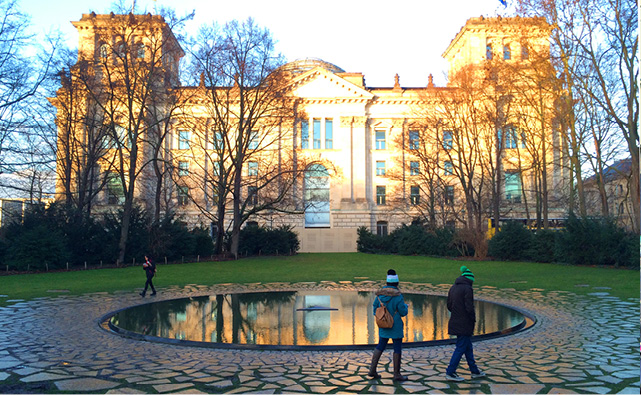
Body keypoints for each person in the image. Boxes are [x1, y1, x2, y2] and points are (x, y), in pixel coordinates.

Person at [445, 265, 486, 381]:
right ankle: (450, 371)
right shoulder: (468, 289)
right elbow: (469, 307)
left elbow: (449, 305)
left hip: (455, 321)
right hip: (465, 323)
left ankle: (474, 371)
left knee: (468, 347)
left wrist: (457, 312)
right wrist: (473, 319)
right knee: (461, 347)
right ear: (470, 280)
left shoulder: (453, 288)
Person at [368, 269, 409, 381]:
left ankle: (372, 370)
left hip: (383, 325)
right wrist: (406, 306)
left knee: (380, 345)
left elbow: (374, 311)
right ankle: (396, 374)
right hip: (395, 326)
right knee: (397, 348)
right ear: (396, 283)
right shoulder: (398, 296)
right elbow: (403, 312)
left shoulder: (379, 296)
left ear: (387, 283)